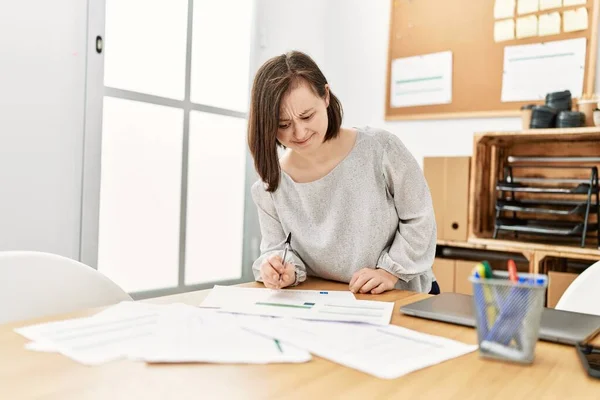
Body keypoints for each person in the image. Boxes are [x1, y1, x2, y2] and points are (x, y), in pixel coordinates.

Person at [247, 51, 438, 295]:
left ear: (325, 96)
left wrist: (390, 271)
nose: (299, 132)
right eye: (283, 125)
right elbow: (277, 249)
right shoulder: (270, 186)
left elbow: (419, 217)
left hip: (399, 293)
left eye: (307, 116)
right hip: (328, 302)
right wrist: (280, 269)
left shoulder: (381, 149)